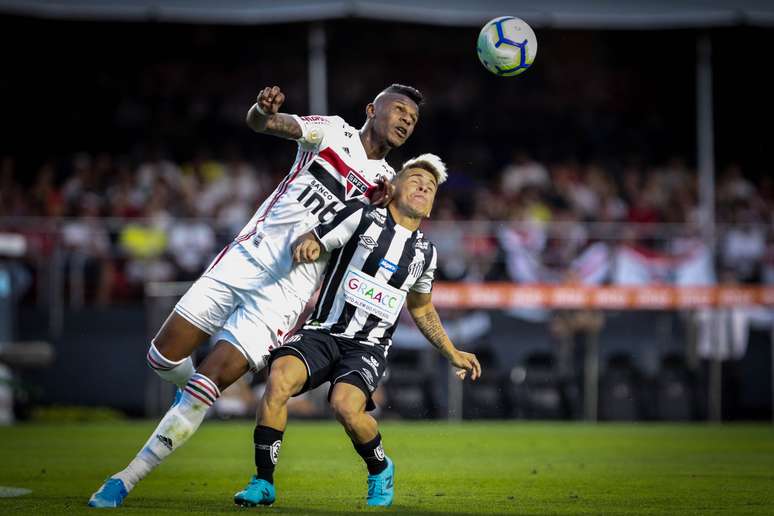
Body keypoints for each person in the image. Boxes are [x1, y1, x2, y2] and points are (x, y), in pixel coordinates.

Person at [88, 83, 422, 508]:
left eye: (412, 119)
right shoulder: (332, 133)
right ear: (373, 109)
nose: (406, 121)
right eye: (399, 110)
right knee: (162, 357)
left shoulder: (387, 185)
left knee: (206, 386)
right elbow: (267, 125)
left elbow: (377, 241)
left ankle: (125, 479)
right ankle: (189, 396)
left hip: (286, 292)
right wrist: (262, 112)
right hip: (244, 258)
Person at [233, 153, 482, 508]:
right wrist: (312, 242)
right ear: (393, 188)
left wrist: (452, 351)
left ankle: (380, 467)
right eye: (415, 180)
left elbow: (422, 307)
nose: (423, 187)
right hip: (323, 331)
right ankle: (263, 481)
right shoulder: (361, 217)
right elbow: (318, 236)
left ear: (431, 208)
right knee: (278, 380)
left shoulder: (426, 254)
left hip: (367, 347)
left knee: (346, 408)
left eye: (430, 188)